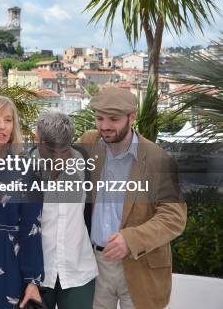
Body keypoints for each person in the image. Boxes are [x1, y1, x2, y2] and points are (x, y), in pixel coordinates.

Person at [80, 87, 187, 309]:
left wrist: (131, 239)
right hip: (95, 266)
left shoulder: (159, 159)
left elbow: (174, 217)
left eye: (114, 119)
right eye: (99, 118)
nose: (105, 126)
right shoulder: (89, 143)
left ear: (132, 117)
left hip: (141, 268)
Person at [0, 95, 43, 309]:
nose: (1, 126)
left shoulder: (27, 169)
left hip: (9, 264)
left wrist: (33, 280)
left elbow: (32, 227)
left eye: (8, 120)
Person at [31, 110, 97, 309]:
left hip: (79, 271)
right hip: (37, 274)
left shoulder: (84, 162)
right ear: (40, 141)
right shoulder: (25, 166)